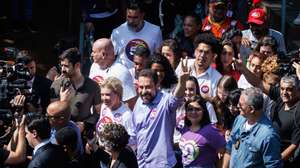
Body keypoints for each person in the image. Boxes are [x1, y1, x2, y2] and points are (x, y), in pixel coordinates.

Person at [131, 57, 189, 167]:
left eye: (148, 87)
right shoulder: (139, 102)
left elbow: (176, 98)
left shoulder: (165, 101)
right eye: (141, 87)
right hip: (142, 163)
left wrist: (182, 82)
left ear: (157, 85)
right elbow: (134, 132)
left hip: (162, 164)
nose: (143, 91)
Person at [223, 87, 283, 168]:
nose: (237, 106)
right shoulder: (239, 119)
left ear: (251, 109)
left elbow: (273, 166)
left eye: (240, 104)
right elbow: (230, 147)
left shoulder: (268, 136)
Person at [50, 47, 101, 134]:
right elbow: (52, 114)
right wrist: (63, 103)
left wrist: (85, 124)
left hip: (82, 134)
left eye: (66, 66)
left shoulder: (93, 86)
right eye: (61, 65)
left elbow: (98, 112)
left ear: (77, 65)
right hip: (61, 132)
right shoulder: (57, 85)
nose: (62, 70)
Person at [111, 0, 163, 69]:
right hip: (124, 74)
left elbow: (158, 55)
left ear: (142, 15)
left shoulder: (155, 31)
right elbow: (111, 56)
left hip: (146, 74)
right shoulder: (117, 32)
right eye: (129, 17)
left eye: (135, 17)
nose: (131, 21)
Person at [89, 38, 137, 110]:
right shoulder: (94, 66)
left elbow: (130, 102)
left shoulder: (121, 72)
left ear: (103, 54)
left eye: (94, 52)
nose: (92, 54)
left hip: (113, 119)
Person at [178, 96, 225, 167]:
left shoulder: (210, 130)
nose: (193, 112)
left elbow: (223, 152)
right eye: (190, 109)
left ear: (204, 111)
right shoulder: (183, 128)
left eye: (197, 109)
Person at [176, 32, 222, 98]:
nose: (202, 55)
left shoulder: (217, 78)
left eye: (206, 52)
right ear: (195, 52)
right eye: (200, 51)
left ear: (213, 56)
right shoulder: (183, 65)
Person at [270, 75, 300, 167]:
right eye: (282, 89)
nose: (284, 92)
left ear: (297, 90)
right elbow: (259, 83)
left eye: (289, 89)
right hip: (271, 153)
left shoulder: (298, 111)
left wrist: (276, 162)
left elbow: (294, 144)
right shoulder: (279, 102)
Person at [95, 77, 134, 142]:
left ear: (118, 94)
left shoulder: (127, 115)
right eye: (102, 95)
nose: (104, 98)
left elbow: (132, 140)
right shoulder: (104, 107)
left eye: (108, 95)